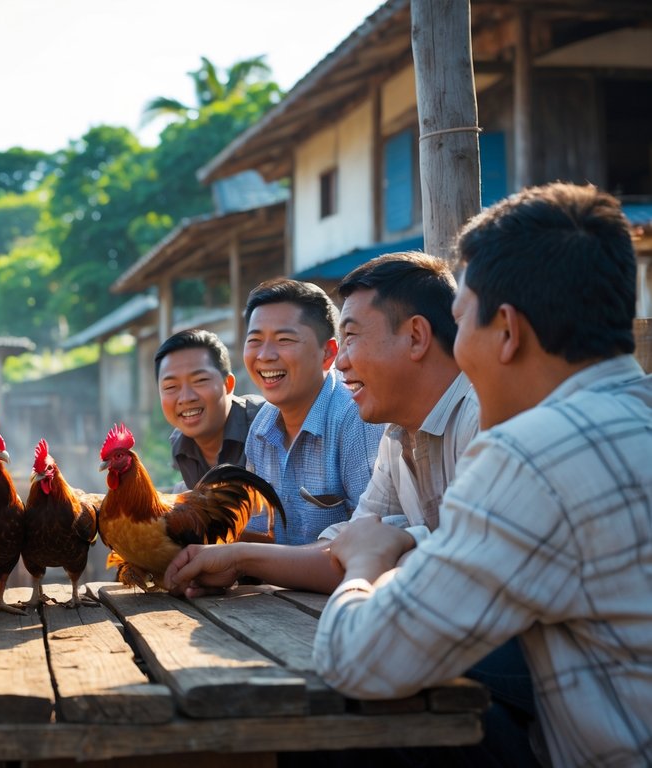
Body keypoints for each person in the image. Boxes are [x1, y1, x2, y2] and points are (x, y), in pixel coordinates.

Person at [314, 182, 652, 765]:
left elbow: (357, 658)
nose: (456, 348)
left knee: (336, 739)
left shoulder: (536, 454)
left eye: (461, 321)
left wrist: (368, 562)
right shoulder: (633, 412)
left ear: (508, 331)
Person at [166, 252, 476, 594]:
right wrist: (234, 558)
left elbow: (441, 570)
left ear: (416, 336)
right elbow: (348, 547)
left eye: (352, 338)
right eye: (255, 341)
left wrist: (240, 558)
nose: (343, 364)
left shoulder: (478, 423)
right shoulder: (396, 434)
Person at [239, 278, 383, 544]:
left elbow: (370, 544)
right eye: (255, 340)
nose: (265, 355)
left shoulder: (357, 419)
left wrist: (242, 559)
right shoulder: (261, 428)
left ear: (328, 353)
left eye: (284, 339)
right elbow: (263, 535)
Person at [153, 329, 264, 491]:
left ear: (228, 384)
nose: (186, 398)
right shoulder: (181, 446)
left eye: (200, 380)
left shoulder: (266, 427)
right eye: (171, 387)